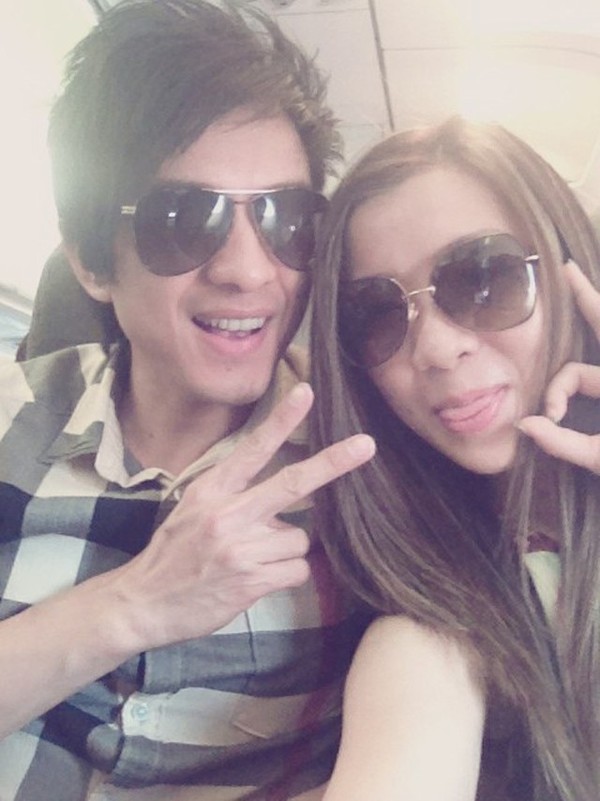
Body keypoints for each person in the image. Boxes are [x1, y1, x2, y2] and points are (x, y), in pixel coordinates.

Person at [0, 2, 376, 799]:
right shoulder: (9, 412)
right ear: (93, 260)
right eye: (183, 219)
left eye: (285, 218)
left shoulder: (365, 461)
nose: (249, 270)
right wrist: (134, 603)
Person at [309, 116, 600, 800]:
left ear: (569, 272)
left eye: (483, 278)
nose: (437, 349)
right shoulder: (423, 641)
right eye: (378, 314)